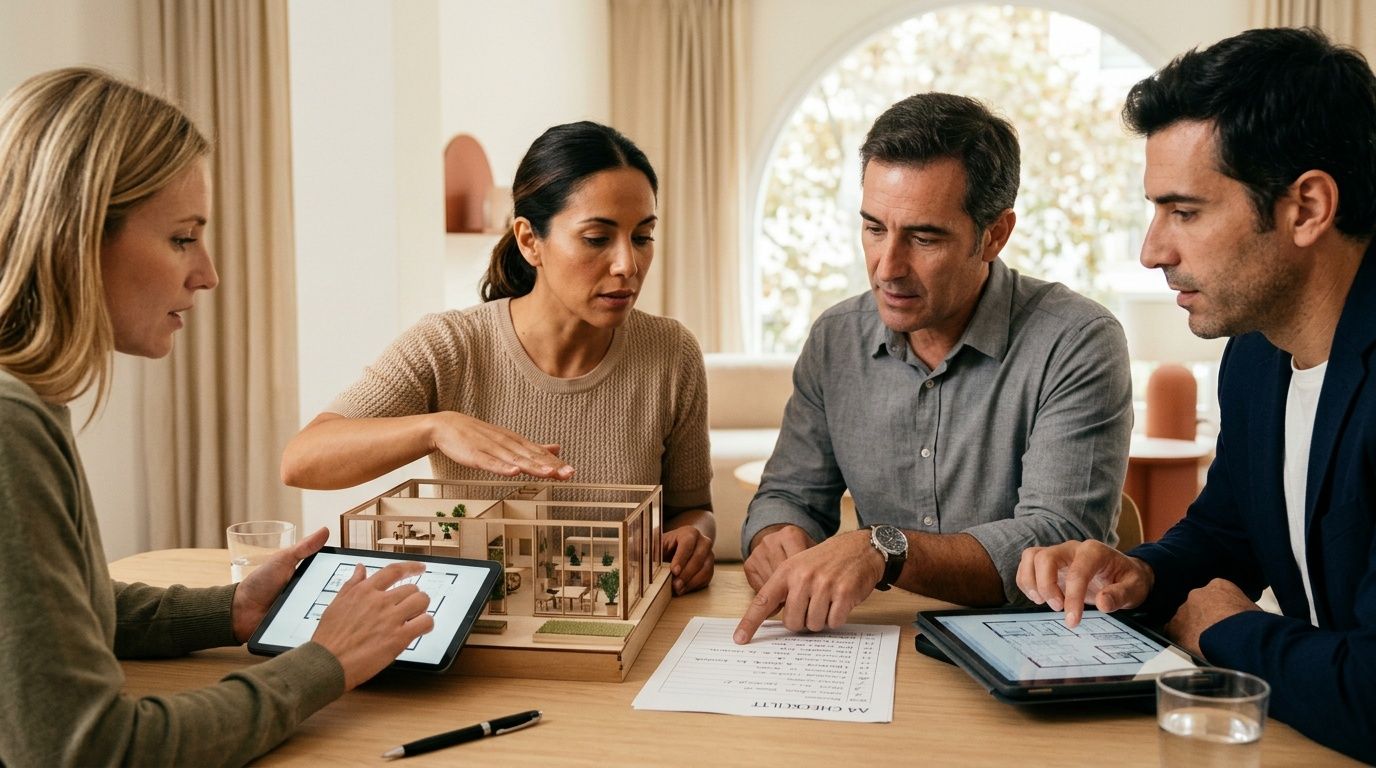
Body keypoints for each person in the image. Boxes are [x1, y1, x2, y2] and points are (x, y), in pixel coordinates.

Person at [0, 68, 436, 767]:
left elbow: (52, 617)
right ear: (76, 237)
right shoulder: (9, 425)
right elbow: (85, 749)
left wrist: (231, 609)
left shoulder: (29, 400)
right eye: (181, 238)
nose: (207, 273)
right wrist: (325, 663)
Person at [1016, 27, 1376, 763]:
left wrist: (1225, 630)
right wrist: (1141, 573)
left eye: (1184, 212)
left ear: (1307, 207)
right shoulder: (1255, 355)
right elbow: (1228, 533)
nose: (1153, 250)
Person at [734, 93, 1132, 643]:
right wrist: (777, 534)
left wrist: (882, 550)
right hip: (876, 639)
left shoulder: (1078, 340)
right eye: (874, 229)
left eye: (924, 238)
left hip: (1030, 648)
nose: (888, 268)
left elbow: (1057, 539)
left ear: (994, 234)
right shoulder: (836, 338)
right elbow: (788, 494)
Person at [281, 122, 716, 594]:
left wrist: (694, 537)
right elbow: (303, 460)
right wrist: (437, 426)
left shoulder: (672, 355)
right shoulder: (449, 346)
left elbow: (694, 508)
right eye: (596, 238)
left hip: (620, 631)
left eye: (642, 237)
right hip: (478, 632)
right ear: (530, 240)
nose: (627, 265)